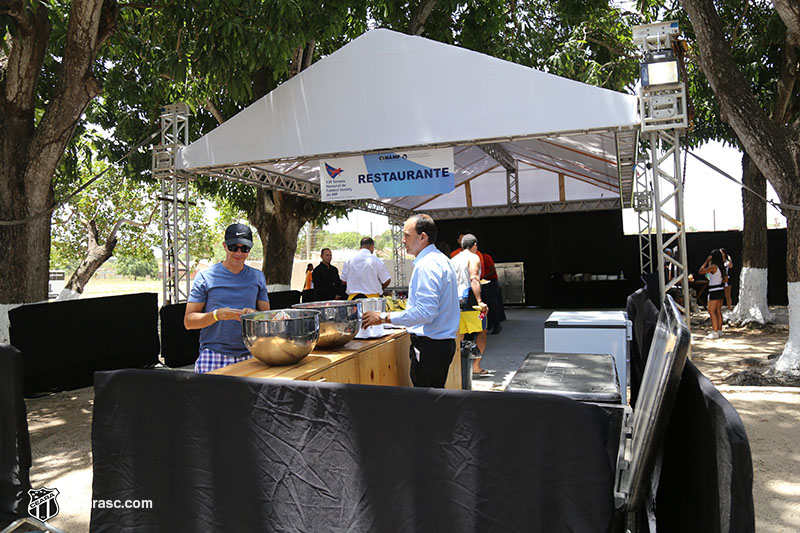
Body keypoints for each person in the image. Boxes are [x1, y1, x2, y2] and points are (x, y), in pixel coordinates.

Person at [361, 214, 460, 388]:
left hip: (430, 346)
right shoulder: (440, 260)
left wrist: (383, 317)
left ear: (423, 237)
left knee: (426, 400)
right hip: (440, 344)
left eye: (407, 235)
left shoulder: (427, 265)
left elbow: (425, 312)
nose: (403, 241)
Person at [184, 223, 270, 373]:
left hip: (251, 353)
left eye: (244, 249)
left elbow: (268, 319)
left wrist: (254, 315)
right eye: (233, 247)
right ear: (225, 246)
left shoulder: (257, 277)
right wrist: (217, 315)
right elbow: (189, 322)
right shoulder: (205, 276)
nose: (239, 253)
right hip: (214, 354)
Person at [451, 234, 490, 376]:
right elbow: (474, 278)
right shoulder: (474, 257)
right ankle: (475, 366)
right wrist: (480, 301)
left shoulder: (453, 259)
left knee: (459, 334)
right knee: (482, 331)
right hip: (470, 299)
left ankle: (456, 368)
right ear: (475, 245)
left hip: (455, 300)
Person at [699, 249, 726, 339]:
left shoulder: (713, 267)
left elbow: (701, 271)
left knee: (711, 311)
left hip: (714, 290)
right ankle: (719, 330)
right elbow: (725, 279)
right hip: (720, 289)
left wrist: (706, 261)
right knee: (718, 311)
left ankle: (715, 332)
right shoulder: (722, 267)